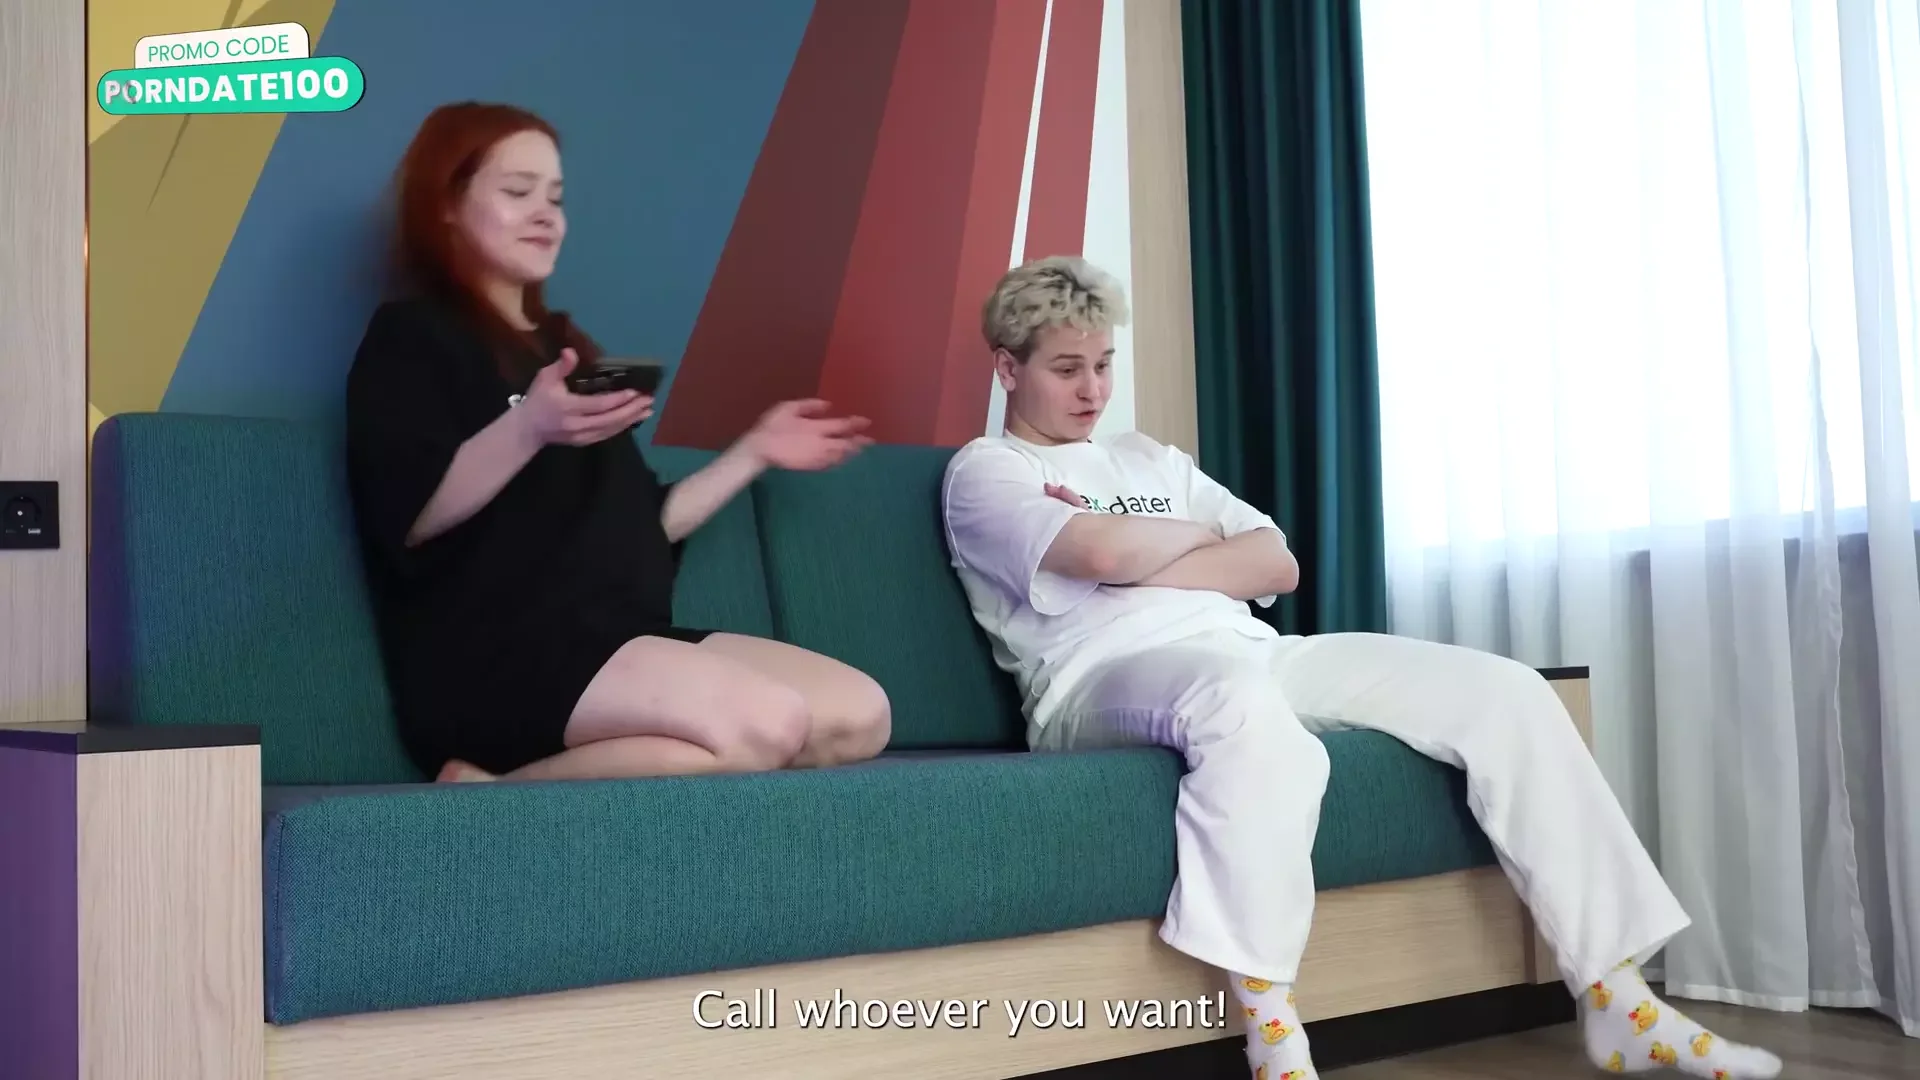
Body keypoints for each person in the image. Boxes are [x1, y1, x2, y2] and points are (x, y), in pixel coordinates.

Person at [939, 256, 1785, 1080]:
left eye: (1104, 364)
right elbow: (1100, 552)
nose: (1092, 390)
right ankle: (1273, 1034)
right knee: (1240, 705)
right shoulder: (989, 472)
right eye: (1067, 369)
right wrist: (1183, 544)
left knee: (1507, 693)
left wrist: (1136, 549)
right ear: (1008, 369)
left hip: (1253, 650)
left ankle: (1619, 999)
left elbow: (1275, 563)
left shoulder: (1149, 459)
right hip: (1099, 678)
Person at [343, 102, 891, 785]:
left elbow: (641, 527)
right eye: (517, 191)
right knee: (768, 722)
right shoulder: (410, 338)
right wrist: (527, 427)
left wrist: (754, 451)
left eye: (555, 197)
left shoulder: (567, 350)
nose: (545, 214)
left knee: (859, 714)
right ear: (446, 205)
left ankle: (501, 791)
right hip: (500, 657)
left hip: (619, 639)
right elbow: (409, 516)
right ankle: (491, 796)